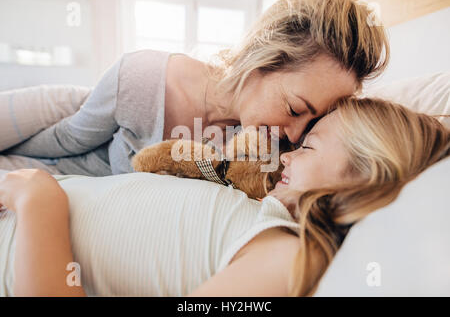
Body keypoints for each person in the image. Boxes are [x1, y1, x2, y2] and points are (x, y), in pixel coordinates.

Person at [0, 97, 448, 297]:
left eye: (308, 147)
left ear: (363, 180)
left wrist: (40, 203)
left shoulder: (290, 260)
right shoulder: (264, 217)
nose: (285, 156)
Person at [0, 0, 388, 176]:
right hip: (74, 143)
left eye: (312, 122)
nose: (295, 134)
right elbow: (69, 140)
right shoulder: (143, 79)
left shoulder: (268, 151)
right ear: (263, 59)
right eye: (294, 109)